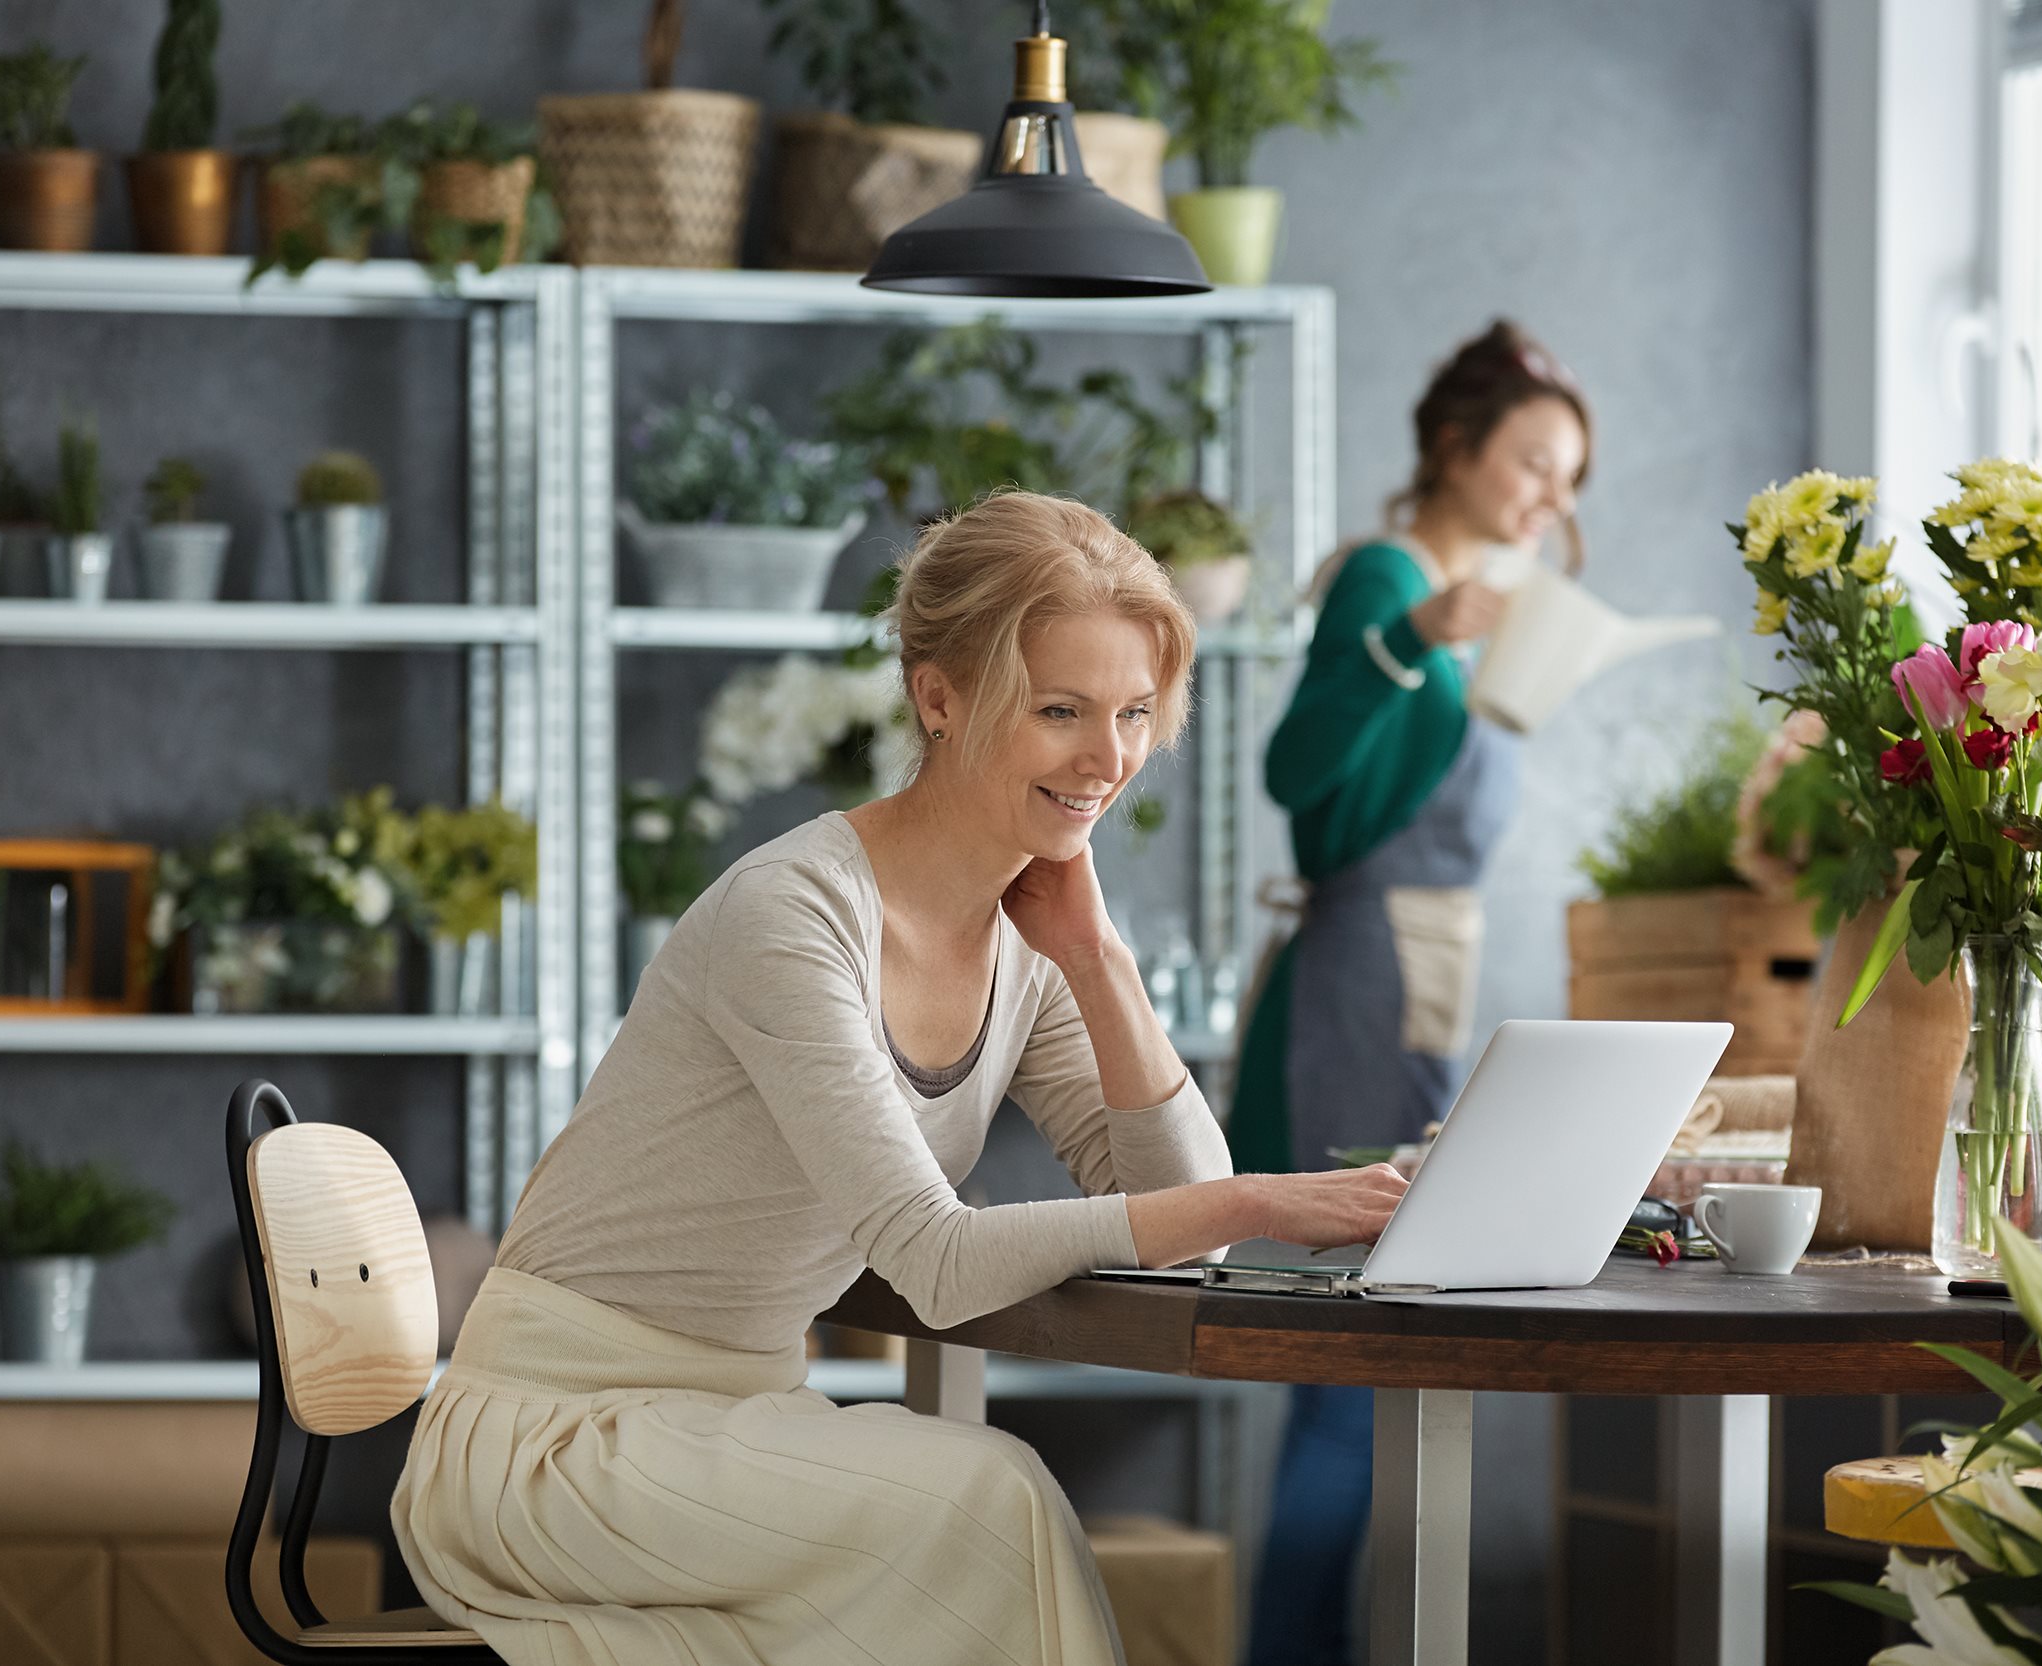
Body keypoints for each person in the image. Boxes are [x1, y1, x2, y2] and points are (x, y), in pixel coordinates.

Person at [392, 490, 1408, 1666]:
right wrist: (1261, 1198)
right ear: (940, 696)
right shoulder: (792, 913)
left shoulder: (1028, 938)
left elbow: (1189, 1230)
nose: (1109, 758)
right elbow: (934, 1260)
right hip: (555, 1443)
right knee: (988, 1495)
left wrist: (1098, 957)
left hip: (730, 1426)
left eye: (1135, 713)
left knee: (971, 1518)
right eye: (1062, 710)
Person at [1230, 322, 1592, 1666]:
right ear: (1455, 448)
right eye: (1536, 464)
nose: (1553, 499)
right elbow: (1297, 776)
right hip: (1359, 992)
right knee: (1353, 1355)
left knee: (1380, 1359)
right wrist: (1409, 637)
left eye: (1572, 481)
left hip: (1420, 982)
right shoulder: (1391, 582)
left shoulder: (1482, 604)